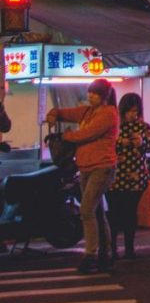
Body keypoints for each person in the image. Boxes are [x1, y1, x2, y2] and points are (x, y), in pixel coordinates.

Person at [47, 78, 119, 273]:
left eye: (94, 93)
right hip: (86, 167)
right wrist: (54, 113)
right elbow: (66, 113)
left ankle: (90, 255)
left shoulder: (108, 114)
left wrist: (65, 136)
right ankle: (106, 254)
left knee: (87, 209)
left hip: (102, 167)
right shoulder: (88, 111)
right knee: (96, 211)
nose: (90, 96)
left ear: (104, 96)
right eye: (90, 92)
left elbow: (86, 134)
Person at [106, 93, 150, 261]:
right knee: (113, 214)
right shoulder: (114, 126)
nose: (132, 114)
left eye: (135, 111)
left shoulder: (143, 127)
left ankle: (129, 248)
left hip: (136, 177)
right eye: (129, 111)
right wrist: (121, 143)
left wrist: (141, 142)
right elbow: (105, 144)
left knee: (130, 213)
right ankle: (111, 248)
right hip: (114, 176)